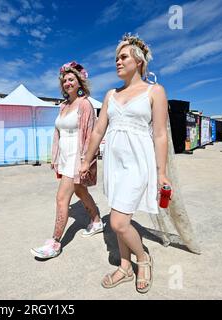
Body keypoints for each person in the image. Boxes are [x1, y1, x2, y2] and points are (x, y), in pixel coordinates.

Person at [80, 34, 172, 294]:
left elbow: (160, 134)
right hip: (114, 164)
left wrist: (161, 172)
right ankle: (124, 266)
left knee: (118, 222)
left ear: (139, 61)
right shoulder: (111, 94)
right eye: (116, 58)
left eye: (123, 57)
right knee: (120, 211)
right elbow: (98, 130)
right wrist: (86, 160)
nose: (117, 62)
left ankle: (143, 259)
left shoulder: (155, 91)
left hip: (138, 162)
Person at [30, 61, 103, 260]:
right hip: (64, 157)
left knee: (61, 199)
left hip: (76, 159)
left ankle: (54, 243)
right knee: (80, 190)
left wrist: (86, 161)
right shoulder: (62, 106)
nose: (67, 83)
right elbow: (59, 134)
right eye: (64, 80)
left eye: (71, 79)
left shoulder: (85, 104)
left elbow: (90, 134)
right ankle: (97, 221)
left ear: (80, 82)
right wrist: (55, 157)